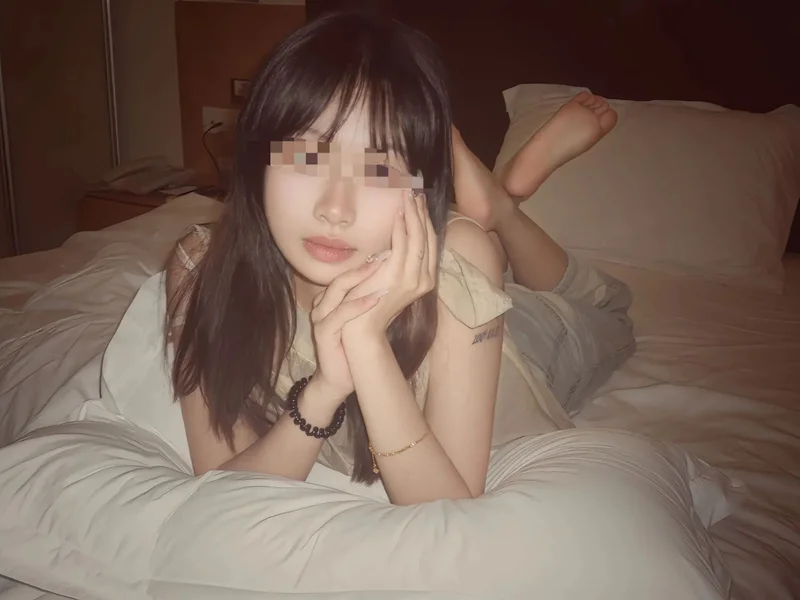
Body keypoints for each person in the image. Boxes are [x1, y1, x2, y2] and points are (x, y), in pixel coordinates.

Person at [165, 9, 634, 506]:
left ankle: (502, 209)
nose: (335, 210)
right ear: (257, 157)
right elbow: (224, 494)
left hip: (526, 340)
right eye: (307, 158)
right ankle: (495, 204)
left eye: (378, 170)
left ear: (420, 188)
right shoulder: (201, 267)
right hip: (455, 276)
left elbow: (445, 509)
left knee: (606, 307)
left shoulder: (459, 265)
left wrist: (367, 344)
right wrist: (323, 392)